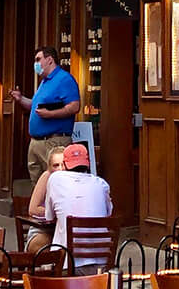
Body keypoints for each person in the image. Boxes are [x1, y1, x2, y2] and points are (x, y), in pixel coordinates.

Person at [10, 46, 81, 184]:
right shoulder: (44, 82)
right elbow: (35, 106)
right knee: (38, 185)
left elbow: (74, 106)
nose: (35, 64)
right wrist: (20, 99)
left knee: (56, 183)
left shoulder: (64, 79)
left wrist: (50, 114)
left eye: (38, 59)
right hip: (37, 142)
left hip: (53, 141)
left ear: (49, 60)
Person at [32, 142, 111, 260]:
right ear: (88, 163)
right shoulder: (102, 184)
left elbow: (50, 217)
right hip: (102, 263)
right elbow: (108, 214)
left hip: (68, 264)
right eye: (55, 165)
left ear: (65, 165)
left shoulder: (55, 180)